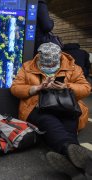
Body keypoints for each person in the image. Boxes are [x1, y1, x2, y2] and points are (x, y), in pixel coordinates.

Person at [10, 42, 92, 179]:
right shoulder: (27, 66)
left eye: (52, 65)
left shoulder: (73, 67)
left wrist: (67, 87)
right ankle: (79, 157)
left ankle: (73, 163)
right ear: (39, 58)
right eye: (45, 66)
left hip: (68, 106)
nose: (49, 68)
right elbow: (15, 88)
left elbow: (86, 88)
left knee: (69, 122)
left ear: (59, 58)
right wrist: (35, 88)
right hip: (38, 106)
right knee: (49, 122)